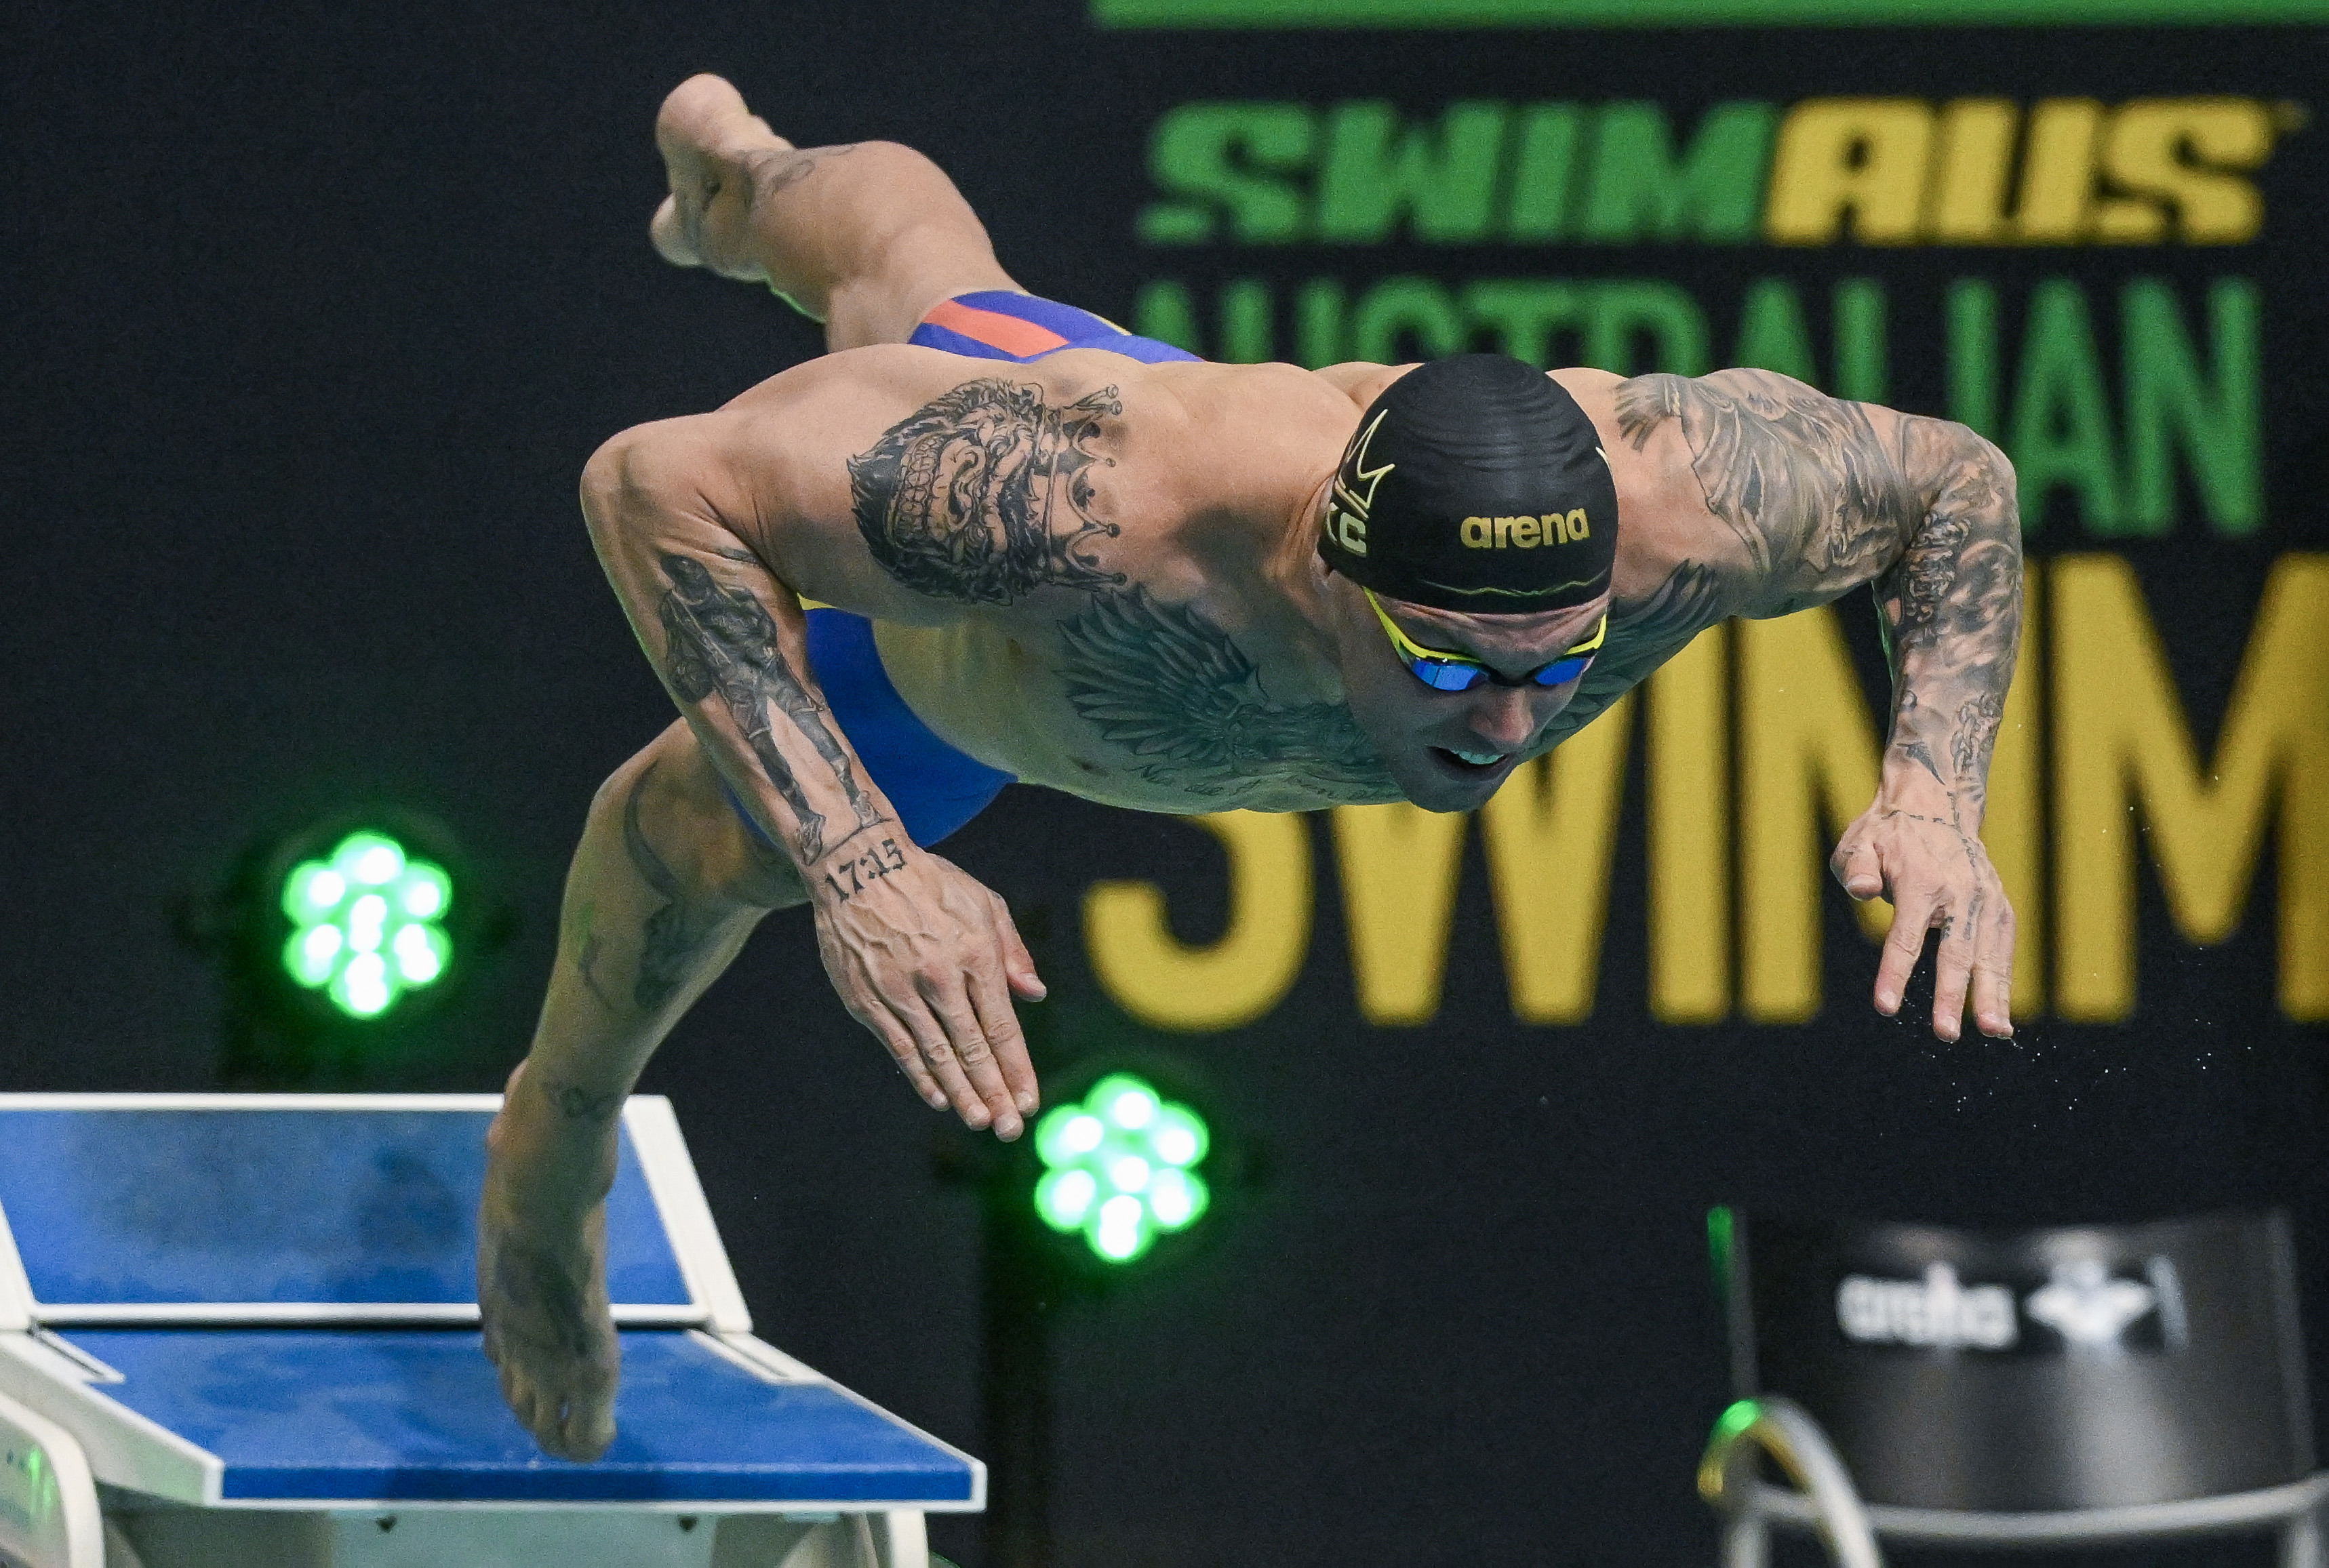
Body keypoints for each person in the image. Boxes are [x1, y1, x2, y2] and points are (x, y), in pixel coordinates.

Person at [479, 74, 2023, 1460]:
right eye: (1440, 662)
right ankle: (550, 1143)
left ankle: (736, 173)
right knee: (713, 778)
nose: (1502, 728)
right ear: (1335, 575)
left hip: (1131, 560)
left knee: (924, 297)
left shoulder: (1695, 512)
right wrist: (863, 863)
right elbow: (652, 479)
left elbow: (1955, 479)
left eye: (1555, 664)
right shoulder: (1083, 505)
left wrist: (1933, 785)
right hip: (984, 675)